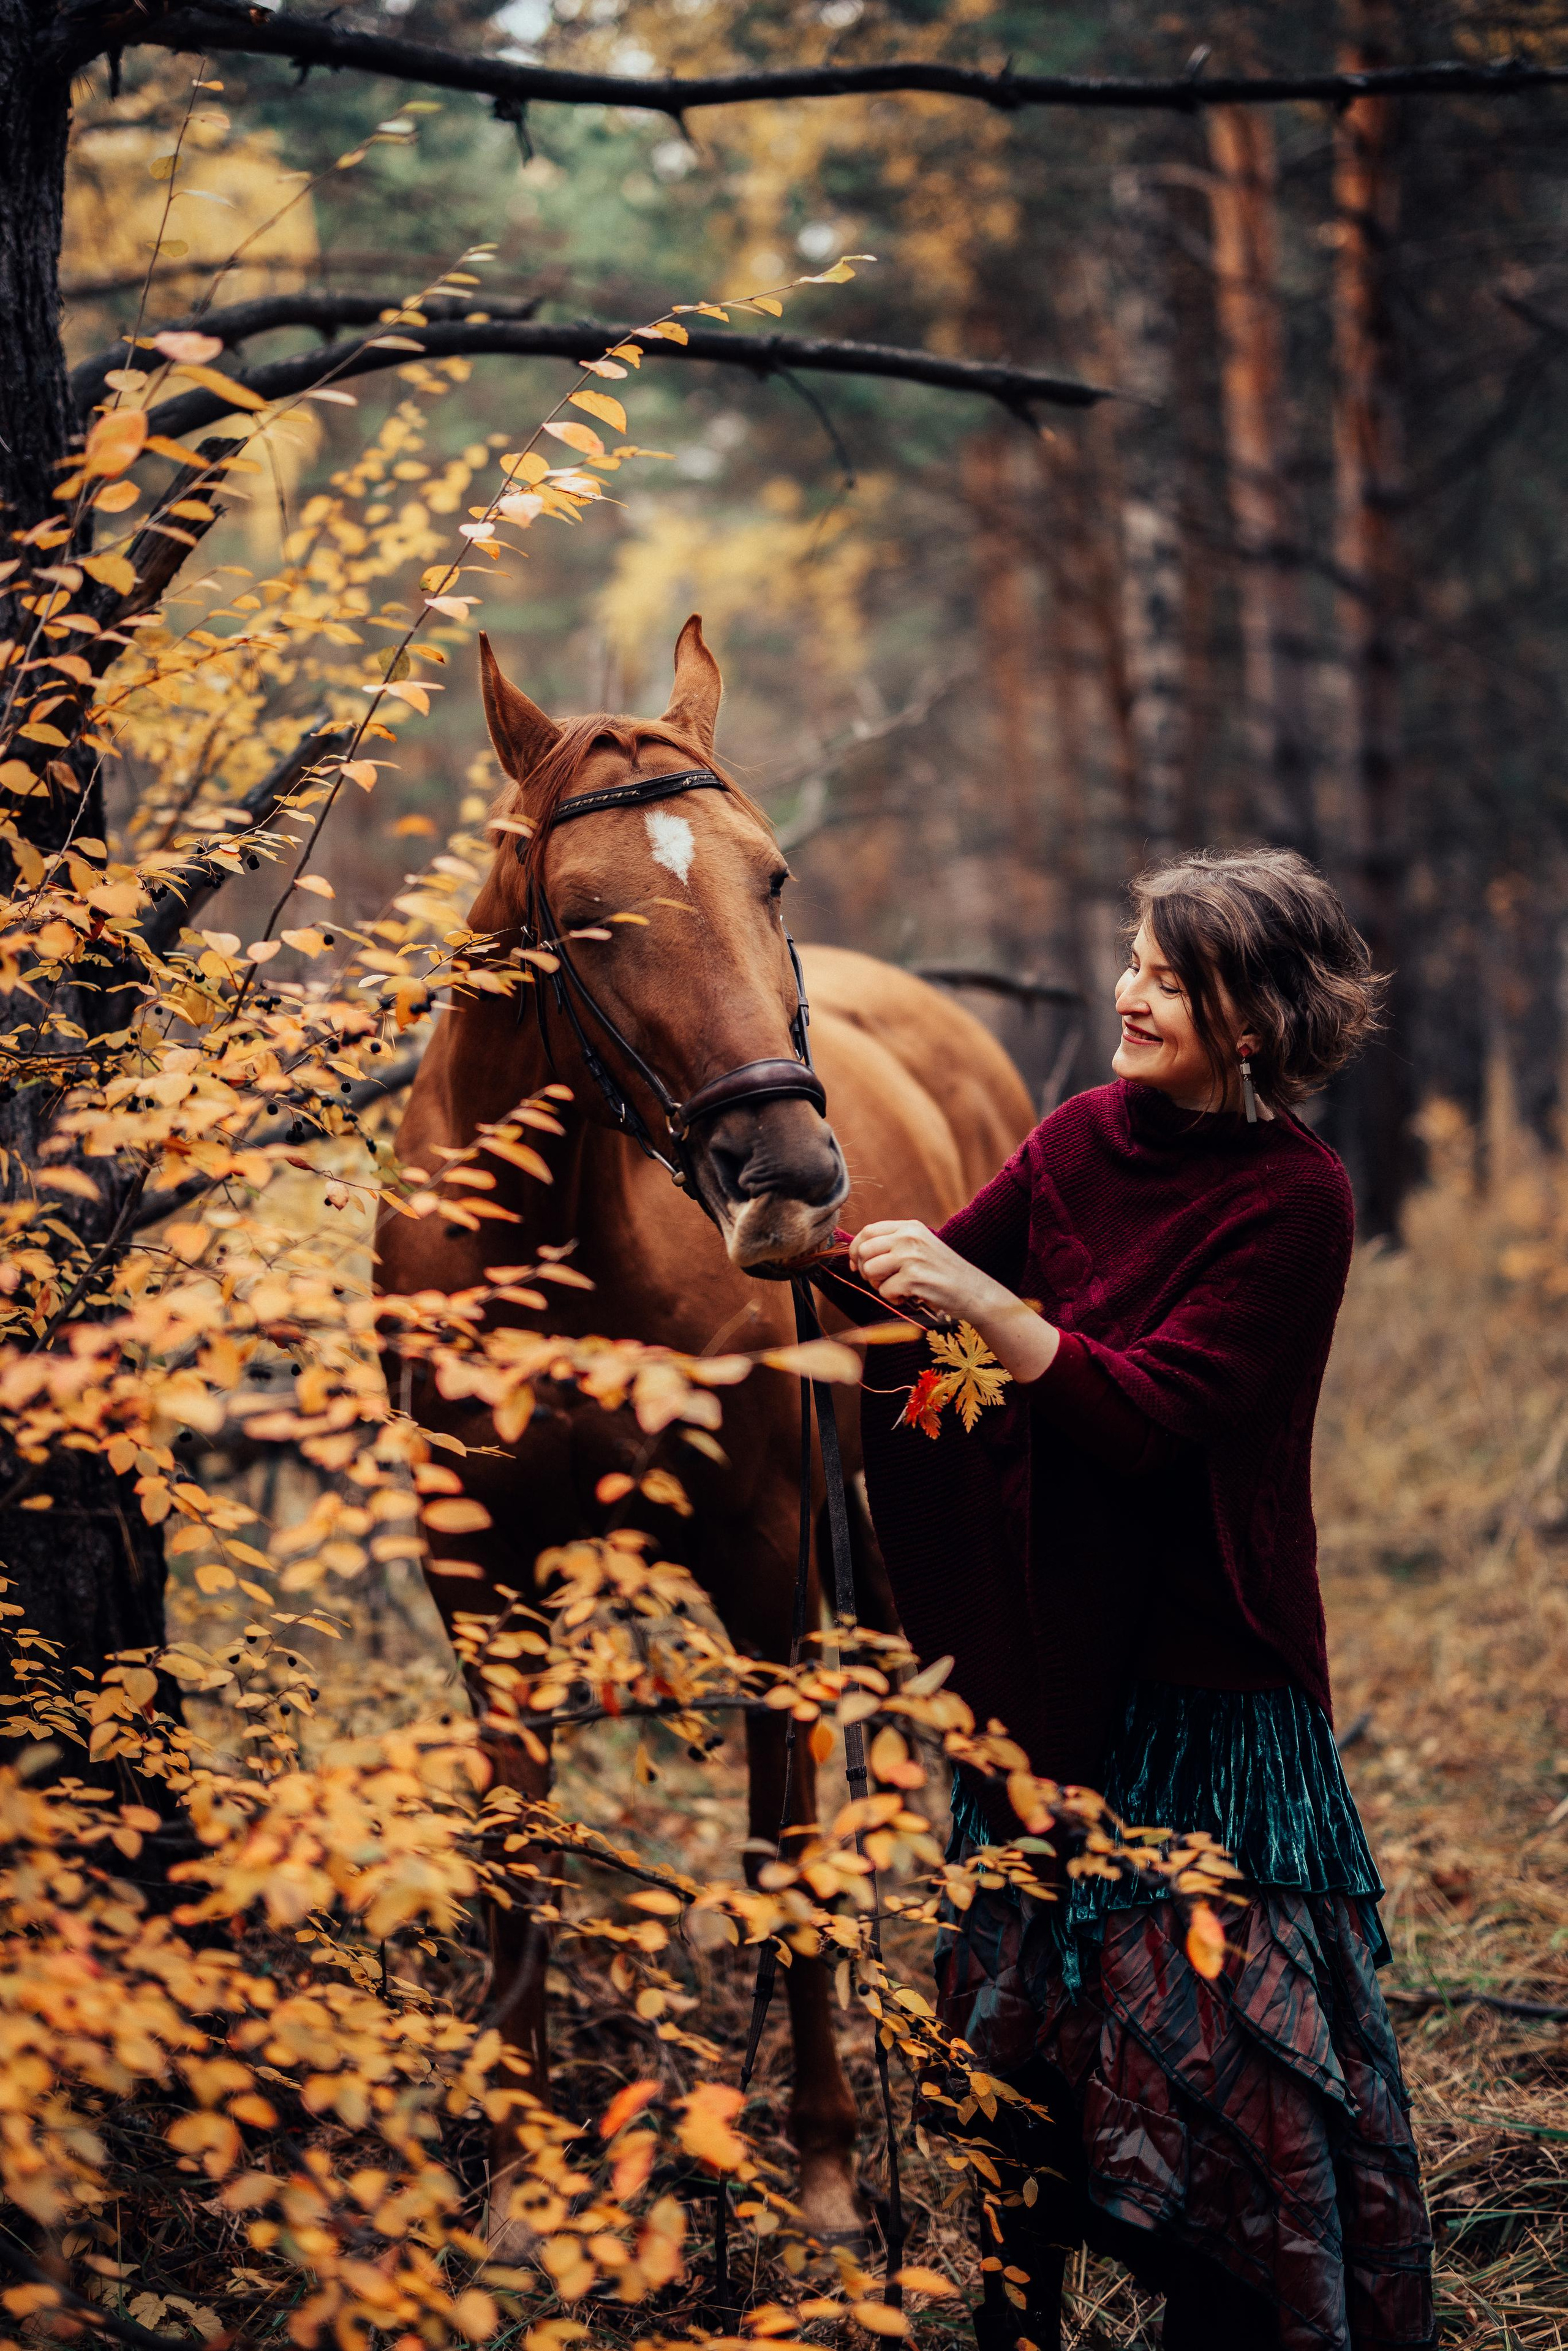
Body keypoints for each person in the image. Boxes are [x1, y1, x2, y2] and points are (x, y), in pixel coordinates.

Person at [829, 850, 1434, 2351]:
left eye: (1167, 974)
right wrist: (803, 1260)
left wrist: (989, 1311)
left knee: (1225, 2071)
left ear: (1252, 1018)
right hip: (1045, 1662)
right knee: (1019, 2035)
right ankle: (1015, 2316)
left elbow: (1158, 1413)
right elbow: (923, 1310)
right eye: (1132, 959)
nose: (1127, 990)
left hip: (1205, 1682)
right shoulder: (1076, 1136)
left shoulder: (1297, 1200)